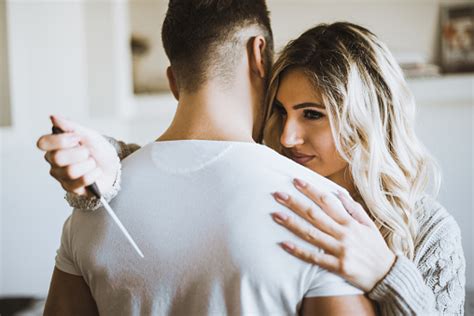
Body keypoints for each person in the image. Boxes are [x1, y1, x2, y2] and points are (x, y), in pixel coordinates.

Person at [37, 20, 466, 316]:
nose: (288, 137)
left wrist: (386, 273)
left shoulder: (429, 232)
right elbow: (191, 162)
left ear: (367, 120)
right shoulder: (275, 183)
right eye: (279, 111)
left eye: (312, 114)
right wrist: (106, 157)